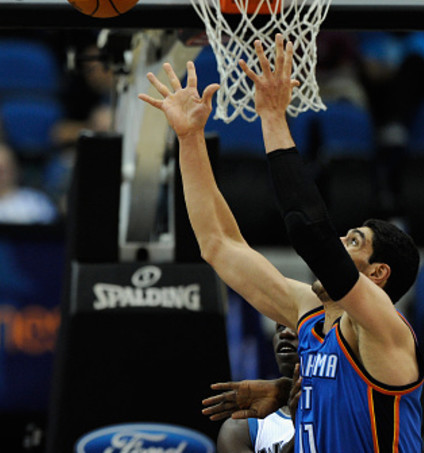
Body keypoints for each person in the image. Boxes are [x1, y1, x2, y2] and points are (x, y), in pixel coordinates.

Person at [138, 34, 422, 452]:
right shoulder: (309, 313)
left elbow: (312, 235)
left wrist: (272, 116)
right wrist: (190, 139)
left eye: (354, 241)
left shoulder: (381, 327)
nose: (341, 240)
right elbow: (218, 244)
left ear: (378, 274)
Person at [208, 323, 298, 453]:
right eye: (280, 327)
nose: (285, 333)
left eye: (298, 326)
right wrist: (302, 430)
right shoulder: (241, 429)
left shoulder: (336, 413)